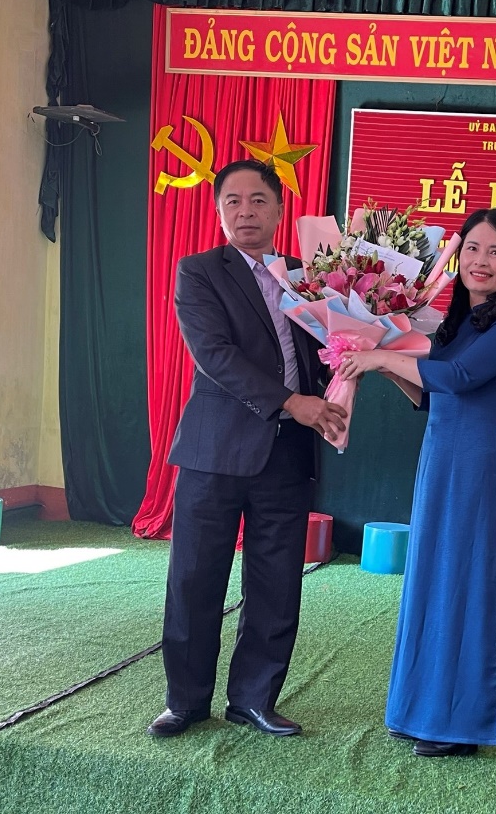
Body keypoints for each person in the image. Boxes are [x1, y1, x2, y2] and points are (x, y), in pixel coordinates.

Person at [148, 160, 347, 739]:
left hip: (287, 453)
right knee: (195, 579)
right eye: (232, 202)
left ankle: (254, 700)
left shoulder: (307, 276)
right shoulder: (199, 272)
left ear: (280, 209)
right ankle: (186, 701)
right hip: (215, 451)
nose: (245, 212)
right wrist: (292, 401)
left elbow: (327, 348)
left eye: (258, 200)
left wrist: (351, 367)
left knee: (277, 582)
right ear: (218, 212)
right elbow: (215, 356)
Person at [337, 208, 496, 757]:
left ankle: (458, 726)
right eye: (472, 248)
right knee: (429, 580)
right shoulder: (458, 324)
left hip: (477, 464)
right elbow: (431, 395)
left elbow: (460, 377)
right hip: (440, 458)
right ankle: (418, 712)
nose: (481, 260)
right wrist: (381, 365)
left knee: (464, 585)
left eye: (495, 252)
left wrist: (383, 354)